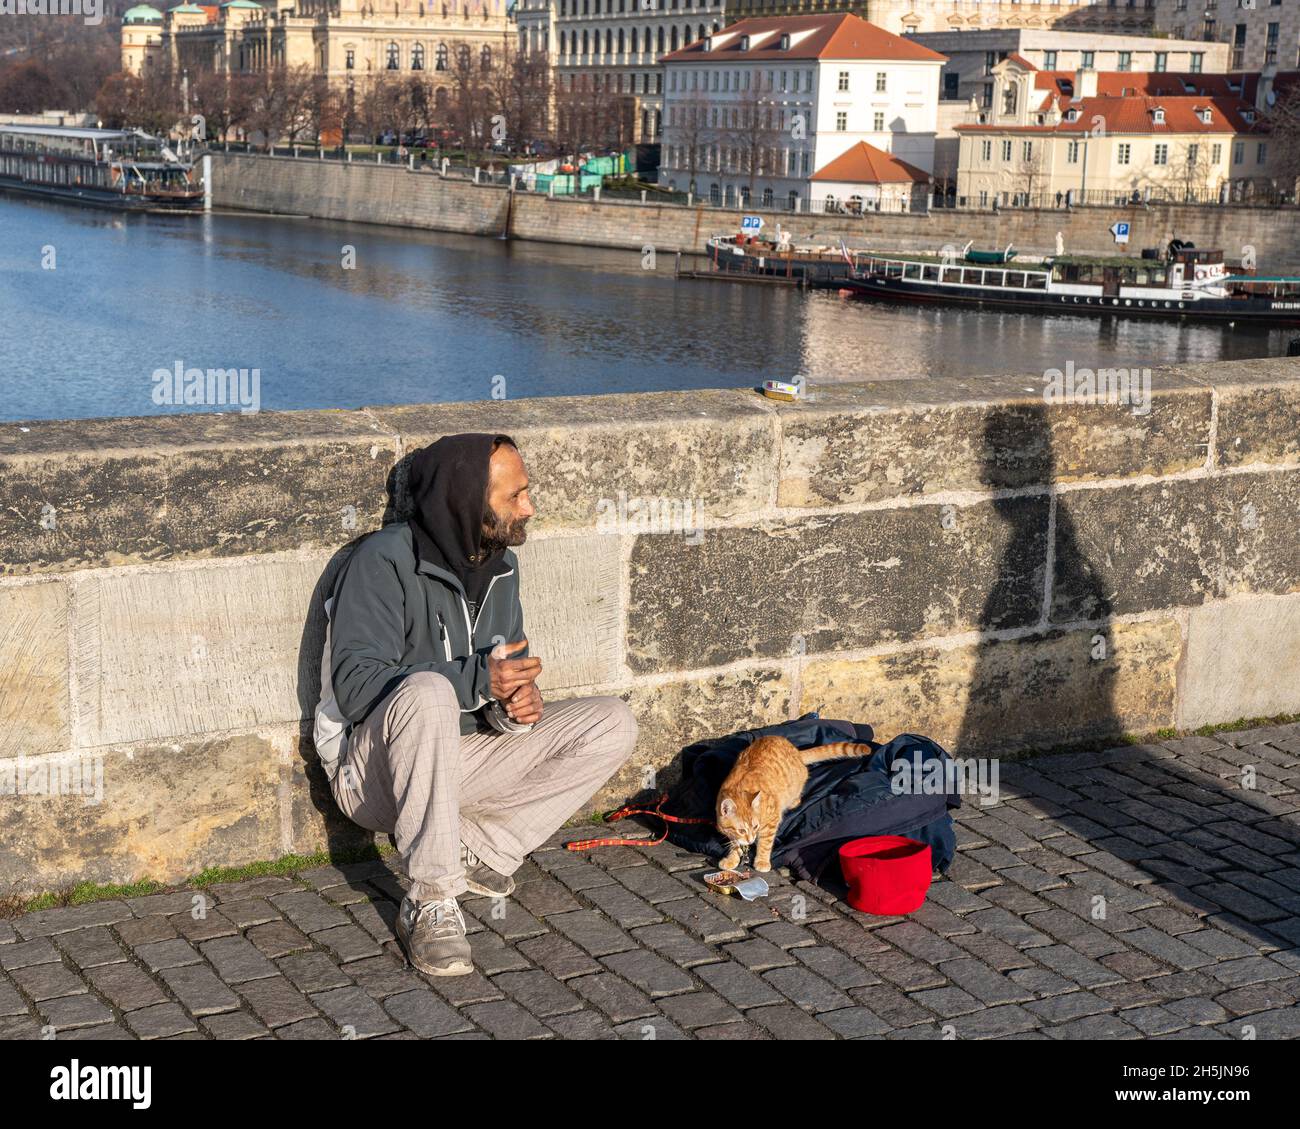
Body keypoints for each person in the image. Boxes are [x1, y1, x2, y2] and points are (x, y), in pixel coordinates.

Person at [318, 434, 638, 975]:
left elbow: (491, 684)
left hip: (458, 763)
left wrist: (512, 706)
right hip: (374, 775)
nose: (529, 508)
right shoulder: (382, 561)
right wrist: (475, 680)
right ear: (467, 500)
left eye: (527, 493)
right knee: (428, 693)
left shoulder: (502, 568)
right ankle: (429, 898)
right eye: (516, 496)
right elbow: (355, 688)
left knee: (613, 722)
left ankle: (477, 849)